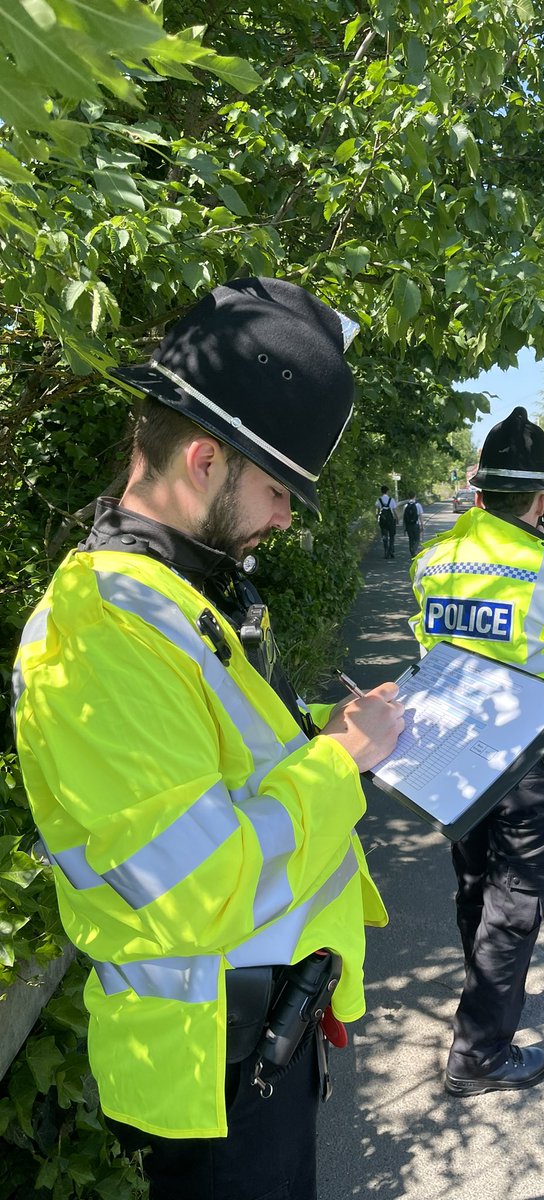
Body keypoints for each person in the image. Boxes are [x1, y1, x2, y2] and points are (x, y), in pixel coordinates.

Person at [12, 277, 405, 1199]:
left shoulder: (177, 599)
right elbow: (199, 887)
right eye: (278, 489)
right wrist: (342, 758)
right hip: (211, 1071)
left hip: (249, 1038)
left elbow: (226, 766)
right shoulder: (104, 633)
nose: (283, 519)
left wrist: (326, 730)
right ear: (204, 461)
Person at [409, 406, 544, 1097]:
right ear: (539, 500)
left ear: (477, 493)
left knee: (474, 885)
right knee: (517, 902)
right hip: (533, 763)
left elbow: (426, 639)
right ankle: (479, 1052)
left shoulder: (433, 561)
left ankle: (482, 1003)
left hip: (455, 760)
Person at [375, 484, 397, 558]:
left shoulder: (379, 500)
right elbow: (394, 511)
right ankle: (391, 550)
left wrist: (377, 518)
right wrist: (396, 518)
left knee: (384, 535)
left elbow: (377, 511)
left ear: (381, 492)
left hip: (383, 520)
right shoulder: (391, 499)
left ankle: (386, 551)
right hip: (390, 520)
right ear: (387, 491)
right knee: (391, 536)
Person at [401, 490, 424, 557]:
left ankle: (412, 552)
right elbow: (420, 516)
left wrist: (404, 527)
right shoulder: (418, 505)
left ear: (408, 496)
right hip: (416, 525)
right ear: (415, 496)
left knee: (411, 539)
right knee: (417, 539)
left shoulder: (405, 506)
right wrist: (422, 525)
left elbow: (404, 517)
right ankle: (414, 550)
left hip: (408, 525)